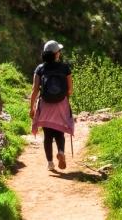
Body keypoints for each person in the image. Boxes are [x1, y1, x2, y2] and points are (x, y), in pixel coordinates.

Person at [29, 40, 75, 172]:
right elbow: (70, 90)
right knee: (59, 132)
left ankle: (50, 163)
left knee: (47, 135)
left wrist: (31, 107)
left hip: (45, 104)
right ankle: (61, 151)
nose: (60, 53)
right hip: (61, 104)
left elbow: (35, 89)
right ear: (56, 54)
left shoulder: (40, 68)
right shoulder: (65, 67)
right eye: (59, 51)